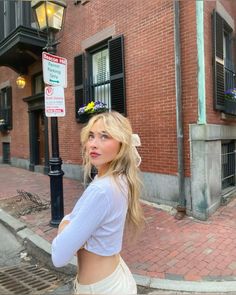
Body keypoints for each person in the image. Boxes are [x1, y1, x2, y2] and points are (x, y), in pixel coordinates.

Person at [51, 111, 144, 294]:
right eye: (91, 136)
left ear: (121, 144)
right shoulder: (119, 178)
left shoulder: (102, 190)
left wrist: (64, 223)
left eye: (104, 136)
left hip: (100, 289)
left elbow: (59, 256)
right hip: (115, 276)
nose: (93, 144)